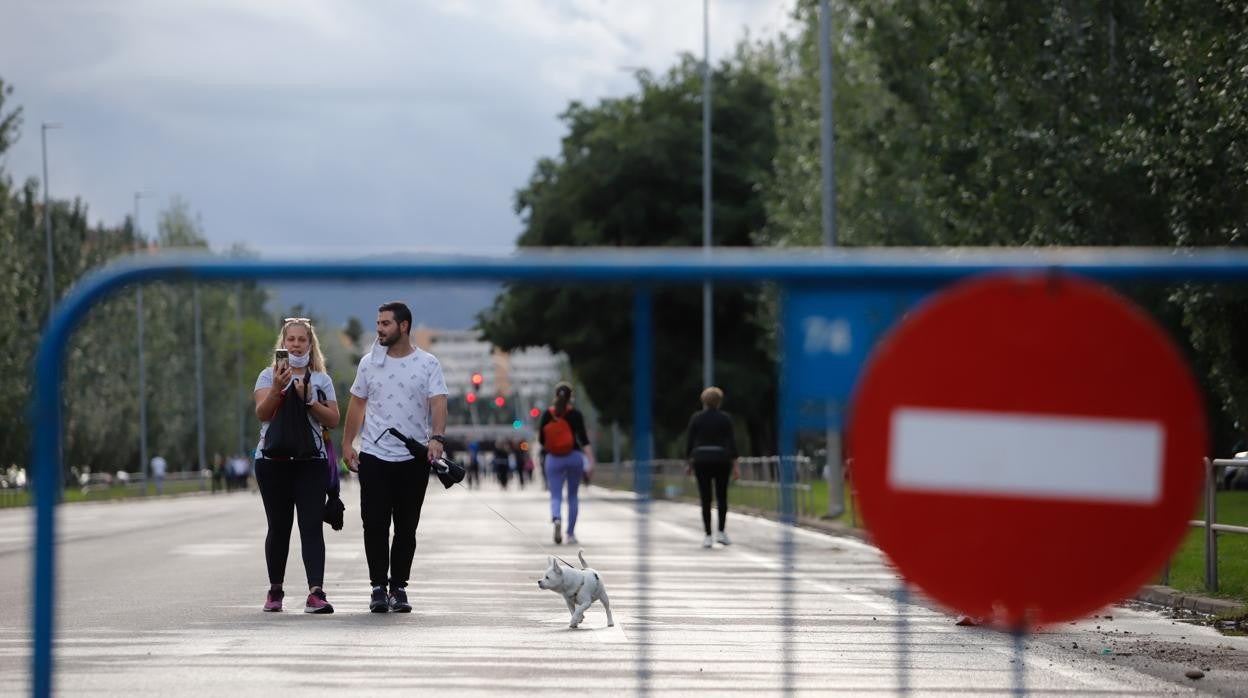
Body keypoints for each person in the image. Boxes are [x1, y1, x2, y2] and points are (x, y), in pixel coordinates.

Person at [342, 301, 448, 614]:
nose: (380, 329)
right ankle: (378, 587)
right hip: (374, 455)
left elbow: (438, 402)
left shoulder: (428, 363)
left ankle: (398, 587)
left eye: (386, 323)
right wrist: (348, 444)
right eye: (378, 323)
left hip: (412, 457)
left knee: (406, 527)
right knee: (373, 524)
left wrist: (437, 439)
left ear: (404, 326)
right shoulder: (368, 364)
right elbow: (357, 405)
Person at [252, 317, 340, 614]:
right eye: (291, 340)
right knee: (279, 528)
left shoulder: (321, 380)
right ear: (283, 343)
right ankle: (275, 590)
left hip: (310, 463)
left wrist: (309, 399)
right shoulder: (267, 376)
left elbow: (333, 419)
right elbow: (262, 413)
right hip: (272, 462)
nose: (297, 344)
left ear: (310, 344)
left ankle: (316, 593)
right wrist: (279, 387)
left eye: (302, 340)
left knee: (311, 527)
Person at [685, 386, 740, 549]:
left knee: (705, 498)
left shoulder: (696, 418)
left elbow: (690, 443)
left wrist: (689, 464)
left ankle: (708, 535)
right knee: (722, 496)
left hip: (701, 460)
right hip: (721, 460)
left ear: (704, 400)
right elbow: (732, 443)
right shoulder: (725, 419)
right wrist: (736, 466)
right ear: (719, 401)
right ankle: (721, 532)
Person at [538, 382, 592, 546]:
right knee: (573, 496)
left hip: (553, 459)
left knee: (555, 495)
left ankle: (556, 518)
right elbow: (584, 439)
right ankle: (570, 534)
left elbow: (541, 440)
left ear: (556, 396)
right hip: (574, 457)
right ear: (571, 397)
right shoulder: (576, 414)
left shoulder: (548, 414)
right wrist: (590, 460)